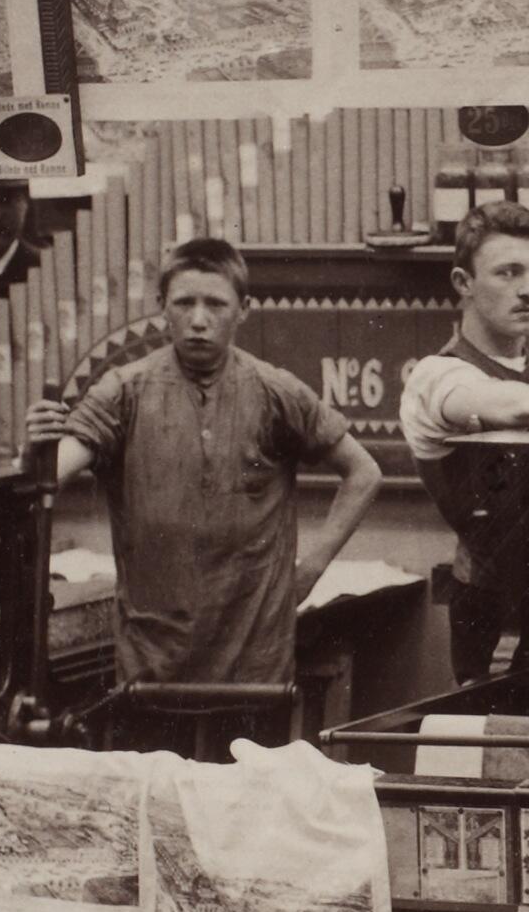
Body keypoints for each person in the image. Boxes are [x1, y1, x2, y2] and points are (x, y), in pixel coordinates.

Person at [50, 234, 383, 698]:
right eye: (184, 303)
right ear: (162, 306)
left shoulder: (275, 391)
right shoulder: (123, 392)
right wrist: (40, 449)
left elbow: (364, 473)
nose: (199, 321)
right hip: (153, 660)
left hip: (255, 658)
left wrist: (310, 570)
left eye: (216, 304)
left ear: (243, 309)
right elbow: (51, 474)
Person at [396, 198, 529, 683]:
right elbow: (519, 406)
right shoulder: (436, 376)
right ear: (463, 283)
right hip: (490, 616)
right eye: (507, 273)